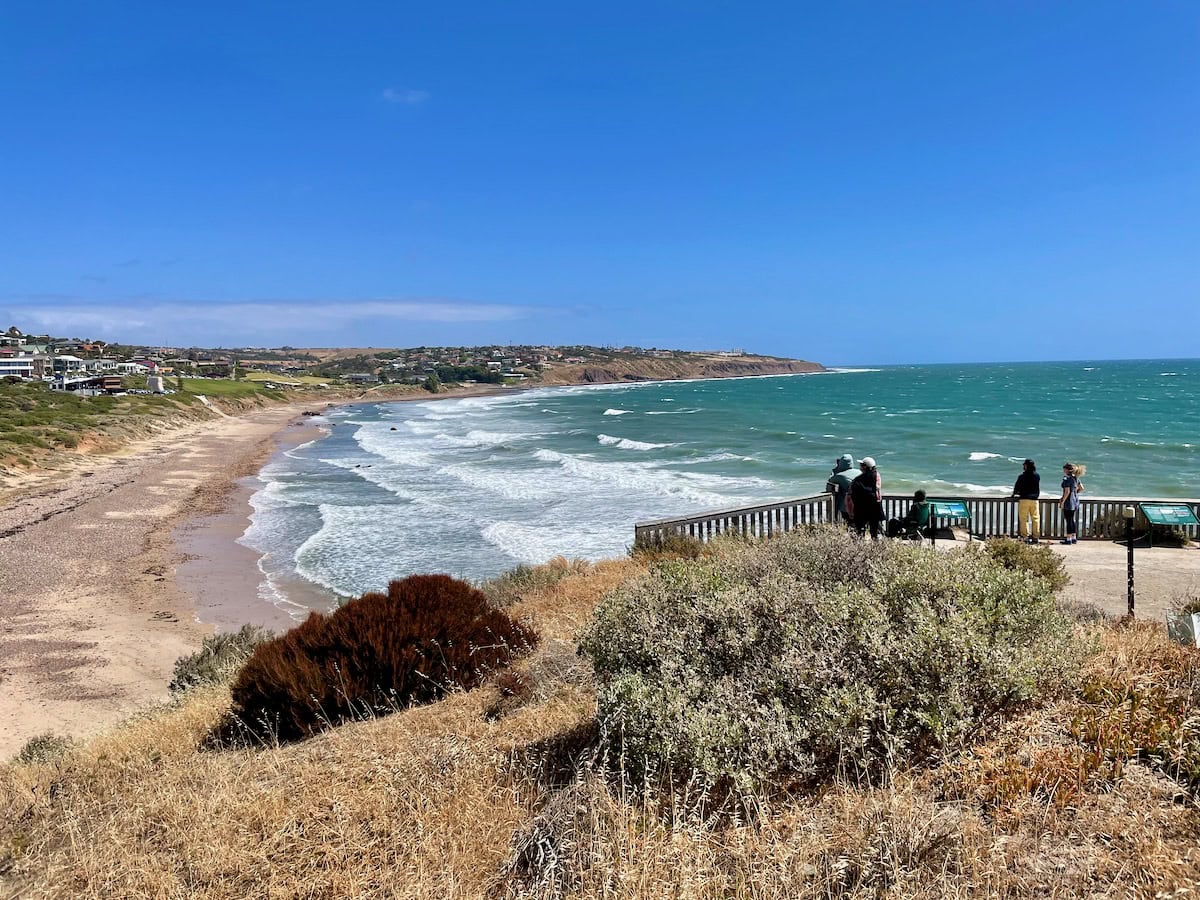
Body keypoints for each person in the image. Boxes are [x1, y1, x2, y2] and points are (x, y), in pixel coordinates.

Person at [849, 457, 883, 539]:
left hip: (861, 507)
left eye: (861, 465)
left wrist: (851, 510)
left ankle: (860, 548)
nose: (860, 467)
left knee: (860, 531)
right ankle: (876, 548)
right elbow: (877, 489)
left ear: (865, 467)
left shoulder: (857, 480)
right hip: (875, 506)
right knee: (875, 531)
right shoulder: (876, 476)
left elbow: (852, 494)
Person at [1012, 459, 1041, 543]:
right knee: (1035, 518)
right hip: (1034, 500)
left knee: (1024, 519)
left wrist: (1014, 494)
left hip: (1024, 499)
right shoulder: (1037, 476)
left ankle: (1025, 537)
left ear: (1026, 466)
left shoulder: (1022, 476)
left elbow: (1017, 488)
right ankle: (1036, 537)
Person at [1059, 462, 1087, 544]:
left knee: (1068, 520)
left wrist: (1062, 501)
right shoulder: (1075, 478)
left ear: (1067, 470)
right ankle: (1074, 537)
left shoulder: (1066, 479)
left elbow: (1067, 491)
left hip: (1068, 502)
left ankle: (1068, 539)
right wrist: (1075, 493)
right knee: (1072, 520)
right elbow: (1082, 488)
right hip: (1075, 501)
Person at [825, 454, 857, 523]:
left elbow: (829, 485)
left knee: (850, 525)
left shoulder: (840, 476)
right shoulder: (859, 472)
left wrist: (835, 470)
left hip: (847, 507)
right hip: (863, 504)